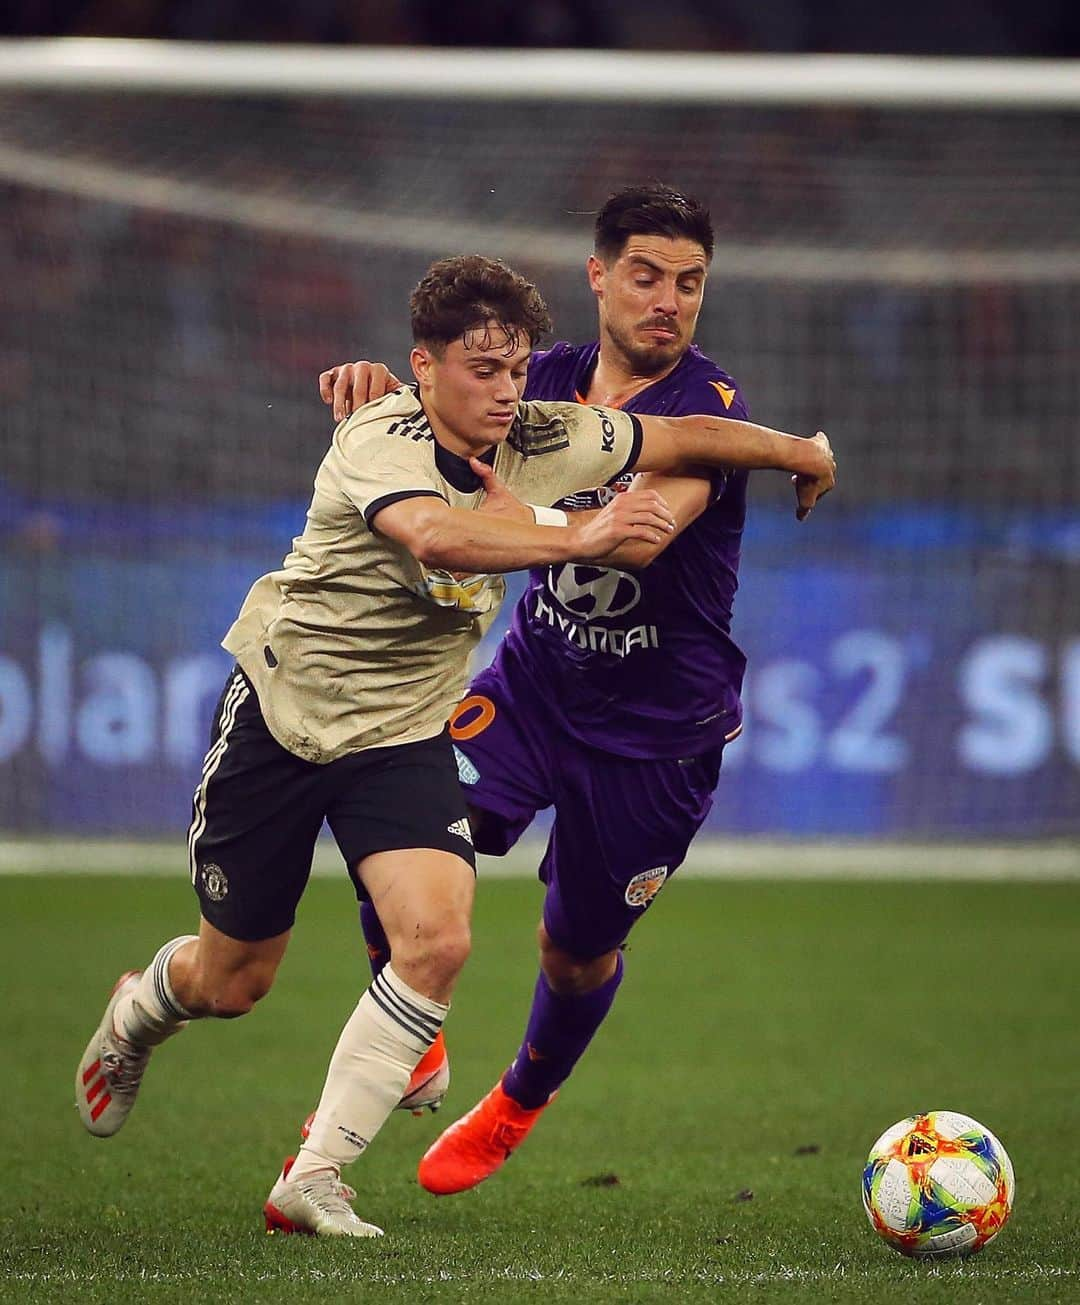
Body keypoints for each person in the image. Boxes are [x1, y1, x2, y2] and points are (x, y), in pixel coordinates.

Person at [317, 186, 831, 1199]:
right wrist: (383, 393)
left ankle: (516, 1101)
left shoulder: (709, 408)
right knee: (398, 835)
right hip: (536, 685)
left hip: (656, 734)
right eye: (645, 275)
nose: (668, 301)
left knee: (575, 950)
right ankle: (414, 1034)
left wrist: (513, 507)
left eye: (689, 284)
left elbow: (641, 528)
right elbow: (434, 418)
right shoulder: (537, 376)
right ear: (598, 276)